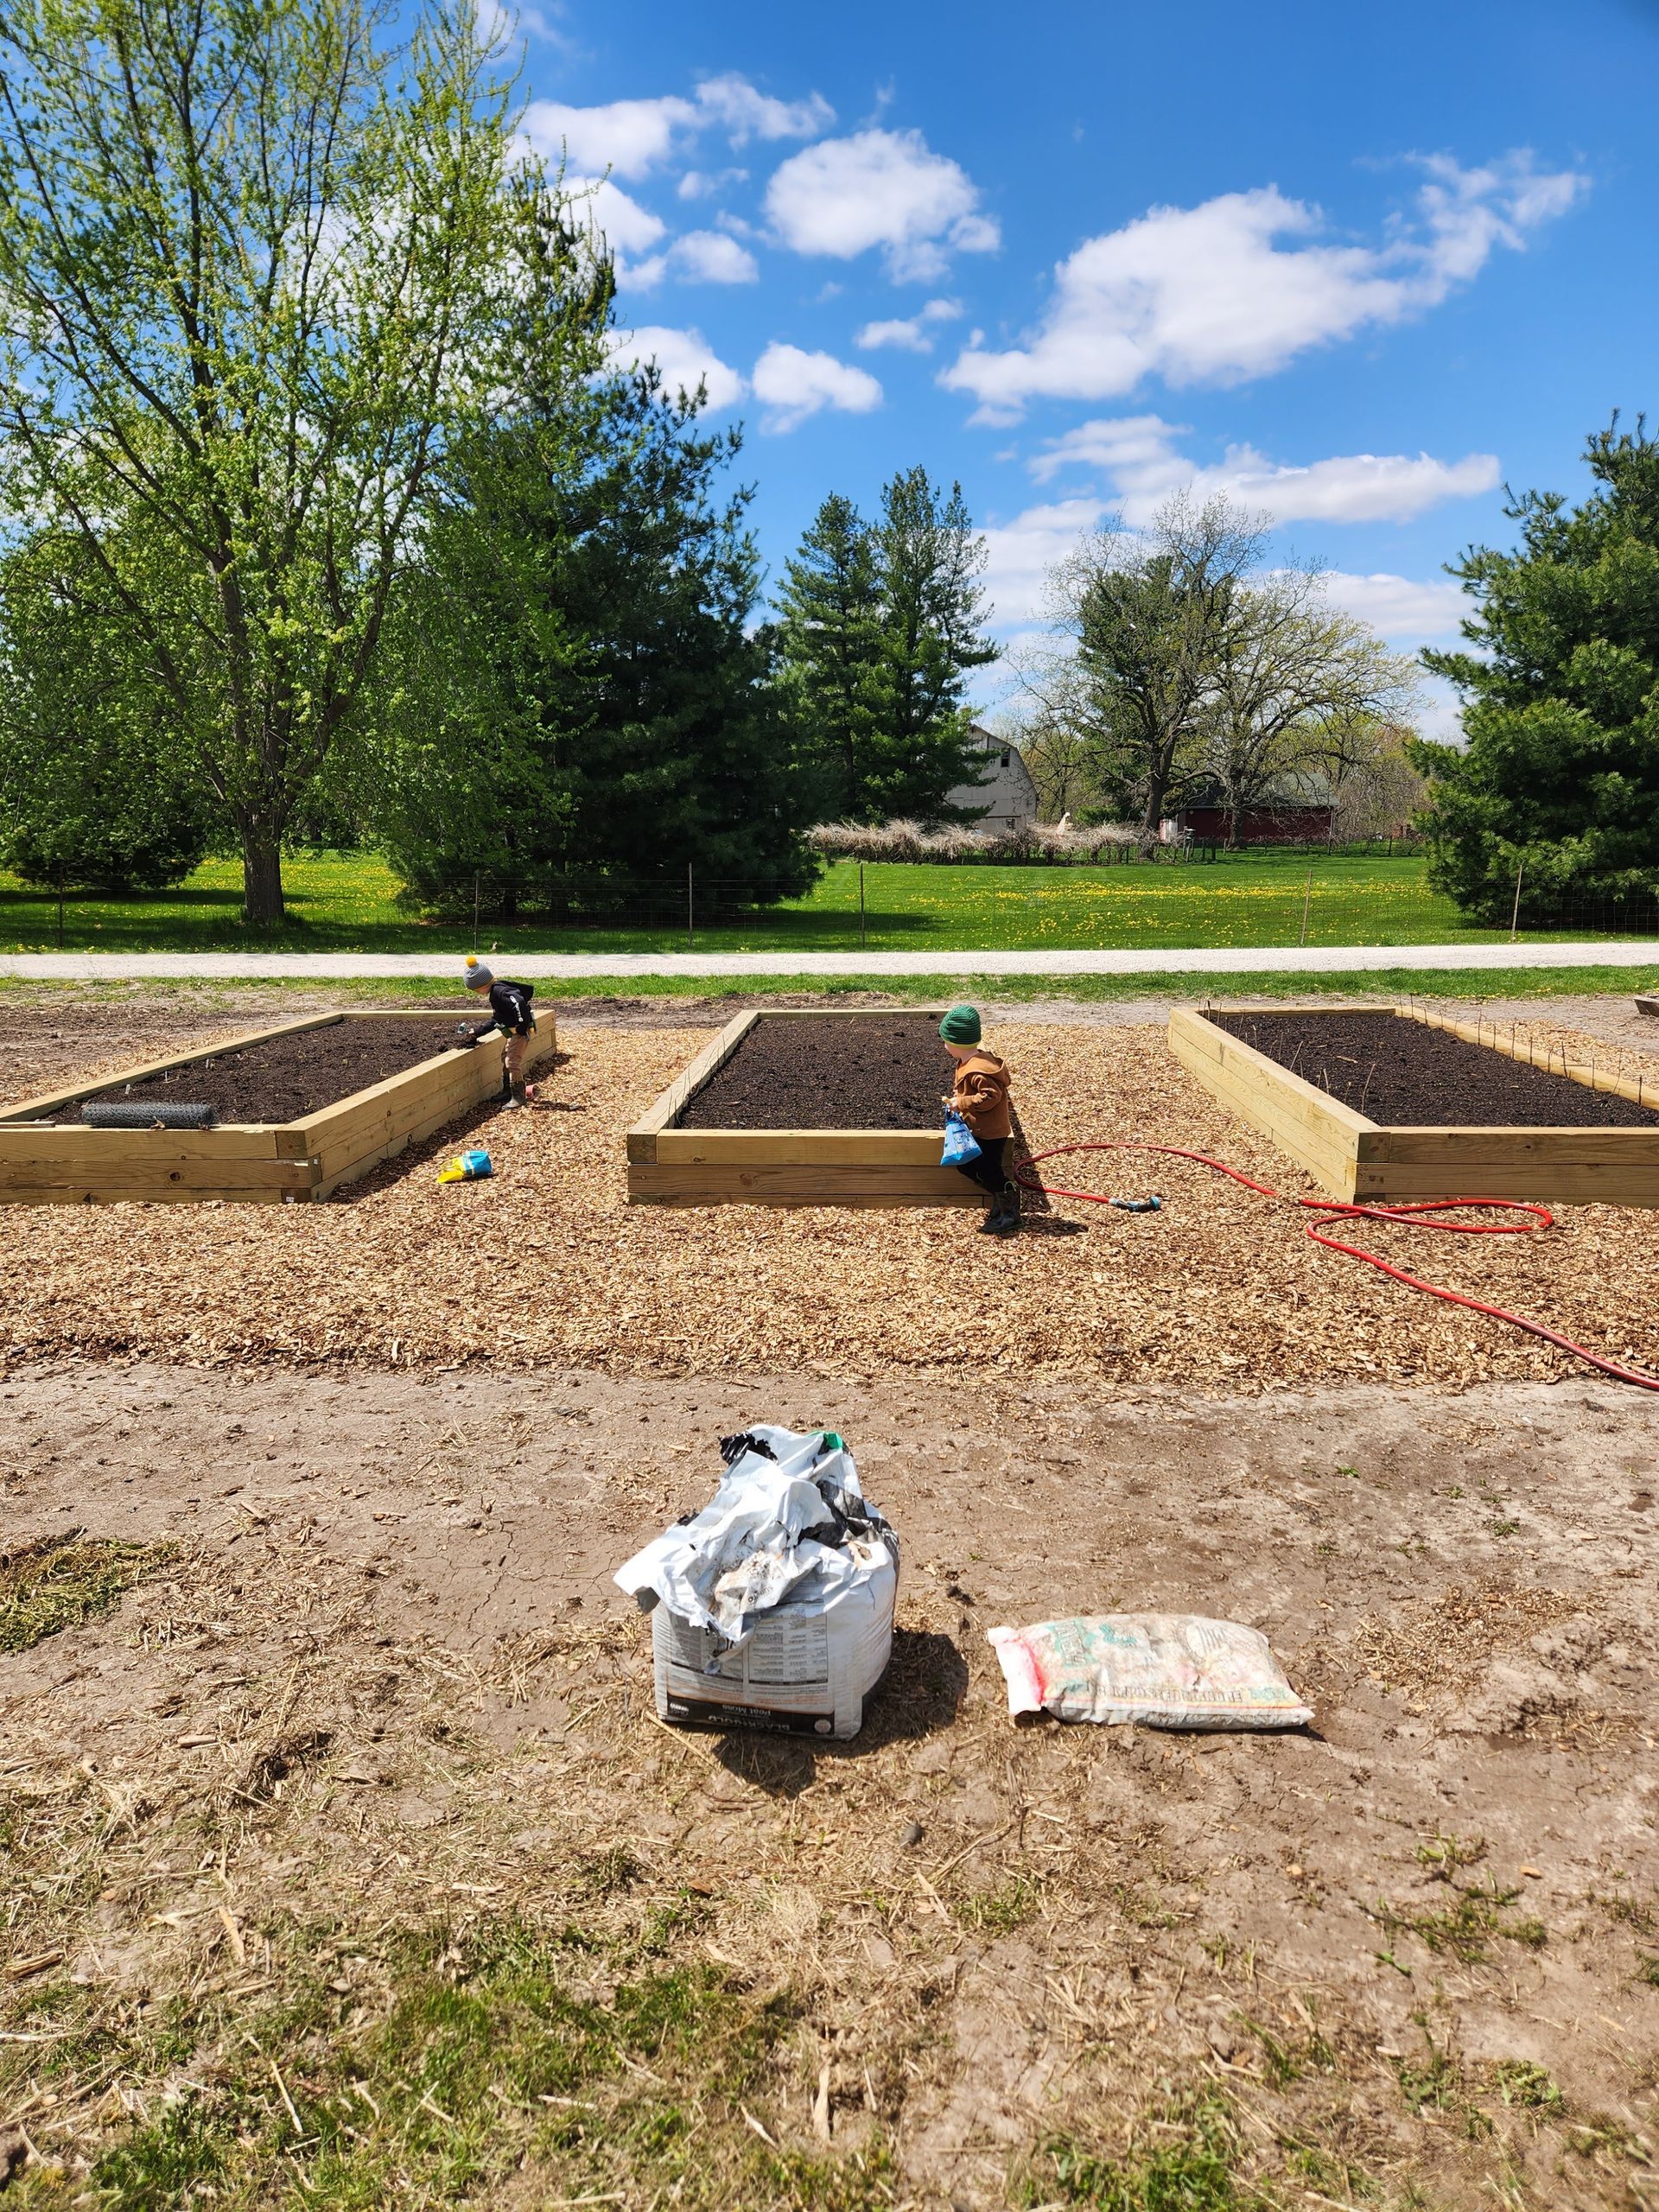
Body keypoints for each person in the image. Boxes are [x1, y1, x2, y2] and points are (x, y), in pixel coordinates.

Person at [939, 1002, 1020, 1236]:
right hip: (978, 1129)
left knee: (987, 1170)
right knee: (967, 1165)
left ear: (955, 1043)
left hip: (990, 1132)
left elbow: (990, 1097)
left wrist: (961, 1103)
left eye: (946, 1041)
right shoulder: (969, 1062)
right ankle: (1001, 1195)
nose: (944, 1046)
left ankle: (1010, 1209)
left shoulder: (978, 1070)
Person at [459, 956, 537, 1109]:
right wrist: (478, 1032)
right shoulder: (496, 992)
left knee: (512, 1061)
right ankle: (508, 1090)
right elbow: (497, 1019)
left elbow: (519, 1002)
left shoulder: (500, 991)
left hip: (520, 1032)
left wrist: (521, 1025)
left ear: (480, 986)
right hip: (515, 1032)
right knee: (505, 1057)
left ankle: (518, 1096)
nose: (476, 992)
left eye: (474, 990)